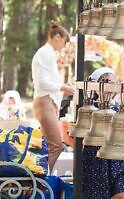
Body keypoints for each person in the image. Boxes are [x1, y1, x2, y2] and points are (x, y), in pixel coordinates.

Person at [31, 21, 75, 172]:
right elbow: (42, 83)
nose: (63, 46)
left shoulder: (48, 54)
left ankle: (36, 178)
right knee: (56, 145)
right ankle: (41, 180)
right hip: (44, 102)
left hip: (47, 103)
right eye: (64, 42)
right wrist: (63, 87)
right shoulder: (45, 53)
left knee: (43, 146)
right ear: (57, 37)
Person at [82, 67, 124, 199]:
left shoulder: (119, 108)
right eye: (104, 82)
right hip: (95, 158)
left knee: (121, 194)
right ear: (95, 86)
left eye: (113, 83)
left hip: (115, 158)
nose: (109, 87)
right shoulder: (90, 108)